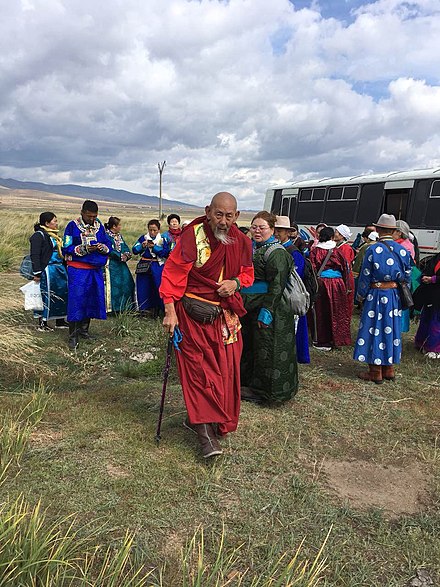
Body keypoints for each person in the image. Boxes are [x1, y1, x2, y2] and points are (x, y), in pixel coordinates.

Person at [160, 192, 254, 458]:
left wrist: (235, 283)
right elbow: (173, 273)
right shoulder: (193, 236)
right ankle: (205, 437)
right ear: (208, 211)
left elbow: (247, 273)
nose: (223, 221)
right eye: (218, 214)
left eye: (229, 215)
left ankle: (214, 421)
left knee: (225, 373)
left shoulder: (243, 241)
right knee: (198, 373)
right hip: (193, 317)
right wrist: (170, 311)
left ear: (236, 216)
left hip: (225, 318)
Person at [240, 211, 298, 403]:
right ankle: (249, 386)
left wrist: (267, 311)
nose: (257, 231)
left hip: (273, 310)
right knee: (254, 348)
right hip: (253, 307)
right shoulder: (256, 248)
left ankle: (270, 393)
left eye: (262, 228)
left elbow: (277, 285)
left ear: (272, 230)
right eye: (254, 227)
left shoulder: (277, 253)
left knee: (270, 349)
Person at [354, 214, 411, 383]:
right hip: (394, 295)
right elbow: (407, 276)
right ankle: (389, 369)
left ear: (378, 230)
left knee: (374, 329)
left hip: (376, 294)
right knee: (391, 329)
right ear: (393, 231)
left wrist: (360, 295)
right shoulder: (402, 250)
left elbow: (365, 275)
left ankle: (375, 371)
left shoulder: (372, 249)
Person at [62, 200, 111, 350]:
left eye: (95, 216)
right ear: (82, 212)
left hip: (95, 268)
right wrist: (85, 248)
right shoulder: (72, 226)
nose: (92, 219)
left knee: (91, 297)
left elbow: (107, 243)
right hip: (78, 269)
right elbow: (66, 246)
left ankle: (84, 330)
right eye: (89, 216)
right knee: (77, 299)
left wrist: (102, 247)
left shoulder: (99, 226)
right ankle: (73, 336)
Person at [273, 215, 310, 364]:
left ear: (288, 233)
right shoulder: (278, 248)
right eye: (275, 230)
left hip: (288, 297)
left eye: (280, 230)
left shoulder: (294, 252)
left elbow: (296, 277)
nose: (276, 233)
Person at [309, 226, 351, 350]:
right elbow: (345, 269)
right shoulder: (337, 251)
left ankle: (321, 340)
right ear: (332, 237)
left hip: (321, 283)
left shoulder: (315, 251)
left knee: (320, 312)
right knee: (337, 311)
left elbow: (312, 269)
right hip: (337, 284)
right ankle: (337, 339)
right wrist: (347, 286)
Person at [30, 212, 68, 331]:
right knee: (45, 295)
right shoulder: (39, 235)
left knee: (61, 293)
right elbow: (35, 255)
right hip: (47, 270)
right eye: (54, 221)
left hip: (59, 269)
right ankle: (42, 323)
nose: (57, 223)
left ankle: (60, 320)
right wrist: (37, 272)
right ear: (46, 223)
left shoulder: (54, 236)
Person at [132, 219, 169, 317]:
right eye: (150, 230)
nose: (152, 232)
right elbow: (134, 250)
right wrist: (142, 246)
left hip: (157, 266)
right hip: (144, 265)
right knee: (143, 287)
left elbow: (166, 253)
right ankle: (143, 309)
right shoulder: (143, 238)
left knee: (158, 287)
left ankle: (159, 309)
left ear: (158, 230)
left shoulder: (162, 239)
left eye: (154, 230)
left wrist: (154, 247)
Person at [104, 216, 135, 313]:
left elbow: (124, 246)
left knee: (127, 282)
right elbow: (109, 249)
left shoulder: (119, 236)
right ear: (114, 226)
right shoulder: (106, 236)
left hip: (121, 264)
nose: (120, 227)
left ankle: (125, 307)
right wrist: (119, 256)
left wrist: (127, 254)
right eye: (119, 225)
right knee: (113, 285)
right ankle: (112, 308)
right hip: (111, 264)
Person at [413, 251, 440, 359]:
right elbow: (428, 268)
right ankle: (421, 342)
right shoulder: (437, 257)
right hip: (431, 294)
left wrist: (433, 279)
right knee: (426, 319)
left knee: (436, 322)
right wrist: (424, 276)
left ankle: (435, 349)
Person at [393, 219, 416, 333]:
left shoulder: (404, 247)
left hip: (401, 280)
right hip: (402, 280)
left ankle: (397, 328)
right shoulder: (406, 244)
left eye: (393, 231)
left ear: (399, 232)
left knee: (400, 303)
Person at [334, 224, 355, 314]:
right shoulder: (337, 247)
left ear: (342, 235)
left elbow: (345, 265)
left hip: (345, 278)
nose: (334, 234)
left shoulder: (346, 248)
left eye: (336, 232)